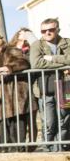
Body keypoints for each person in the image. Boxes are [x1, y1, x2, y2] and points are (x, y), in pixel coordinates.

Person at [0, 36, 37, 151]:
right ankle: (9, 151)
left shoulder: (11, 50)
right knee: (7, 132)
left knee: (18, 130)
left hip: (17, 98)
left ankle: (19, 152)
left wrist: (4, 68)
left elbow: (24, 63)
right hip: (6, 101)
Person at [29, 17, 70, 151]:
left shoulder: (67, 43)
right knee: (49, 122)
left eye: (51, 30)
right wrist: (63, 64)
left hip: (66, 87)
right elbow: (36, 63)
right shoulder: (37, 45)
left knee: (64, 119)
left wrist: (52, 58)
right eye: (43, 31)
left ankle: (62, 148)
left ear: (57, 29)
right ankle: (49, 149)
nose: (47, 33)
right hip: (45, 88)